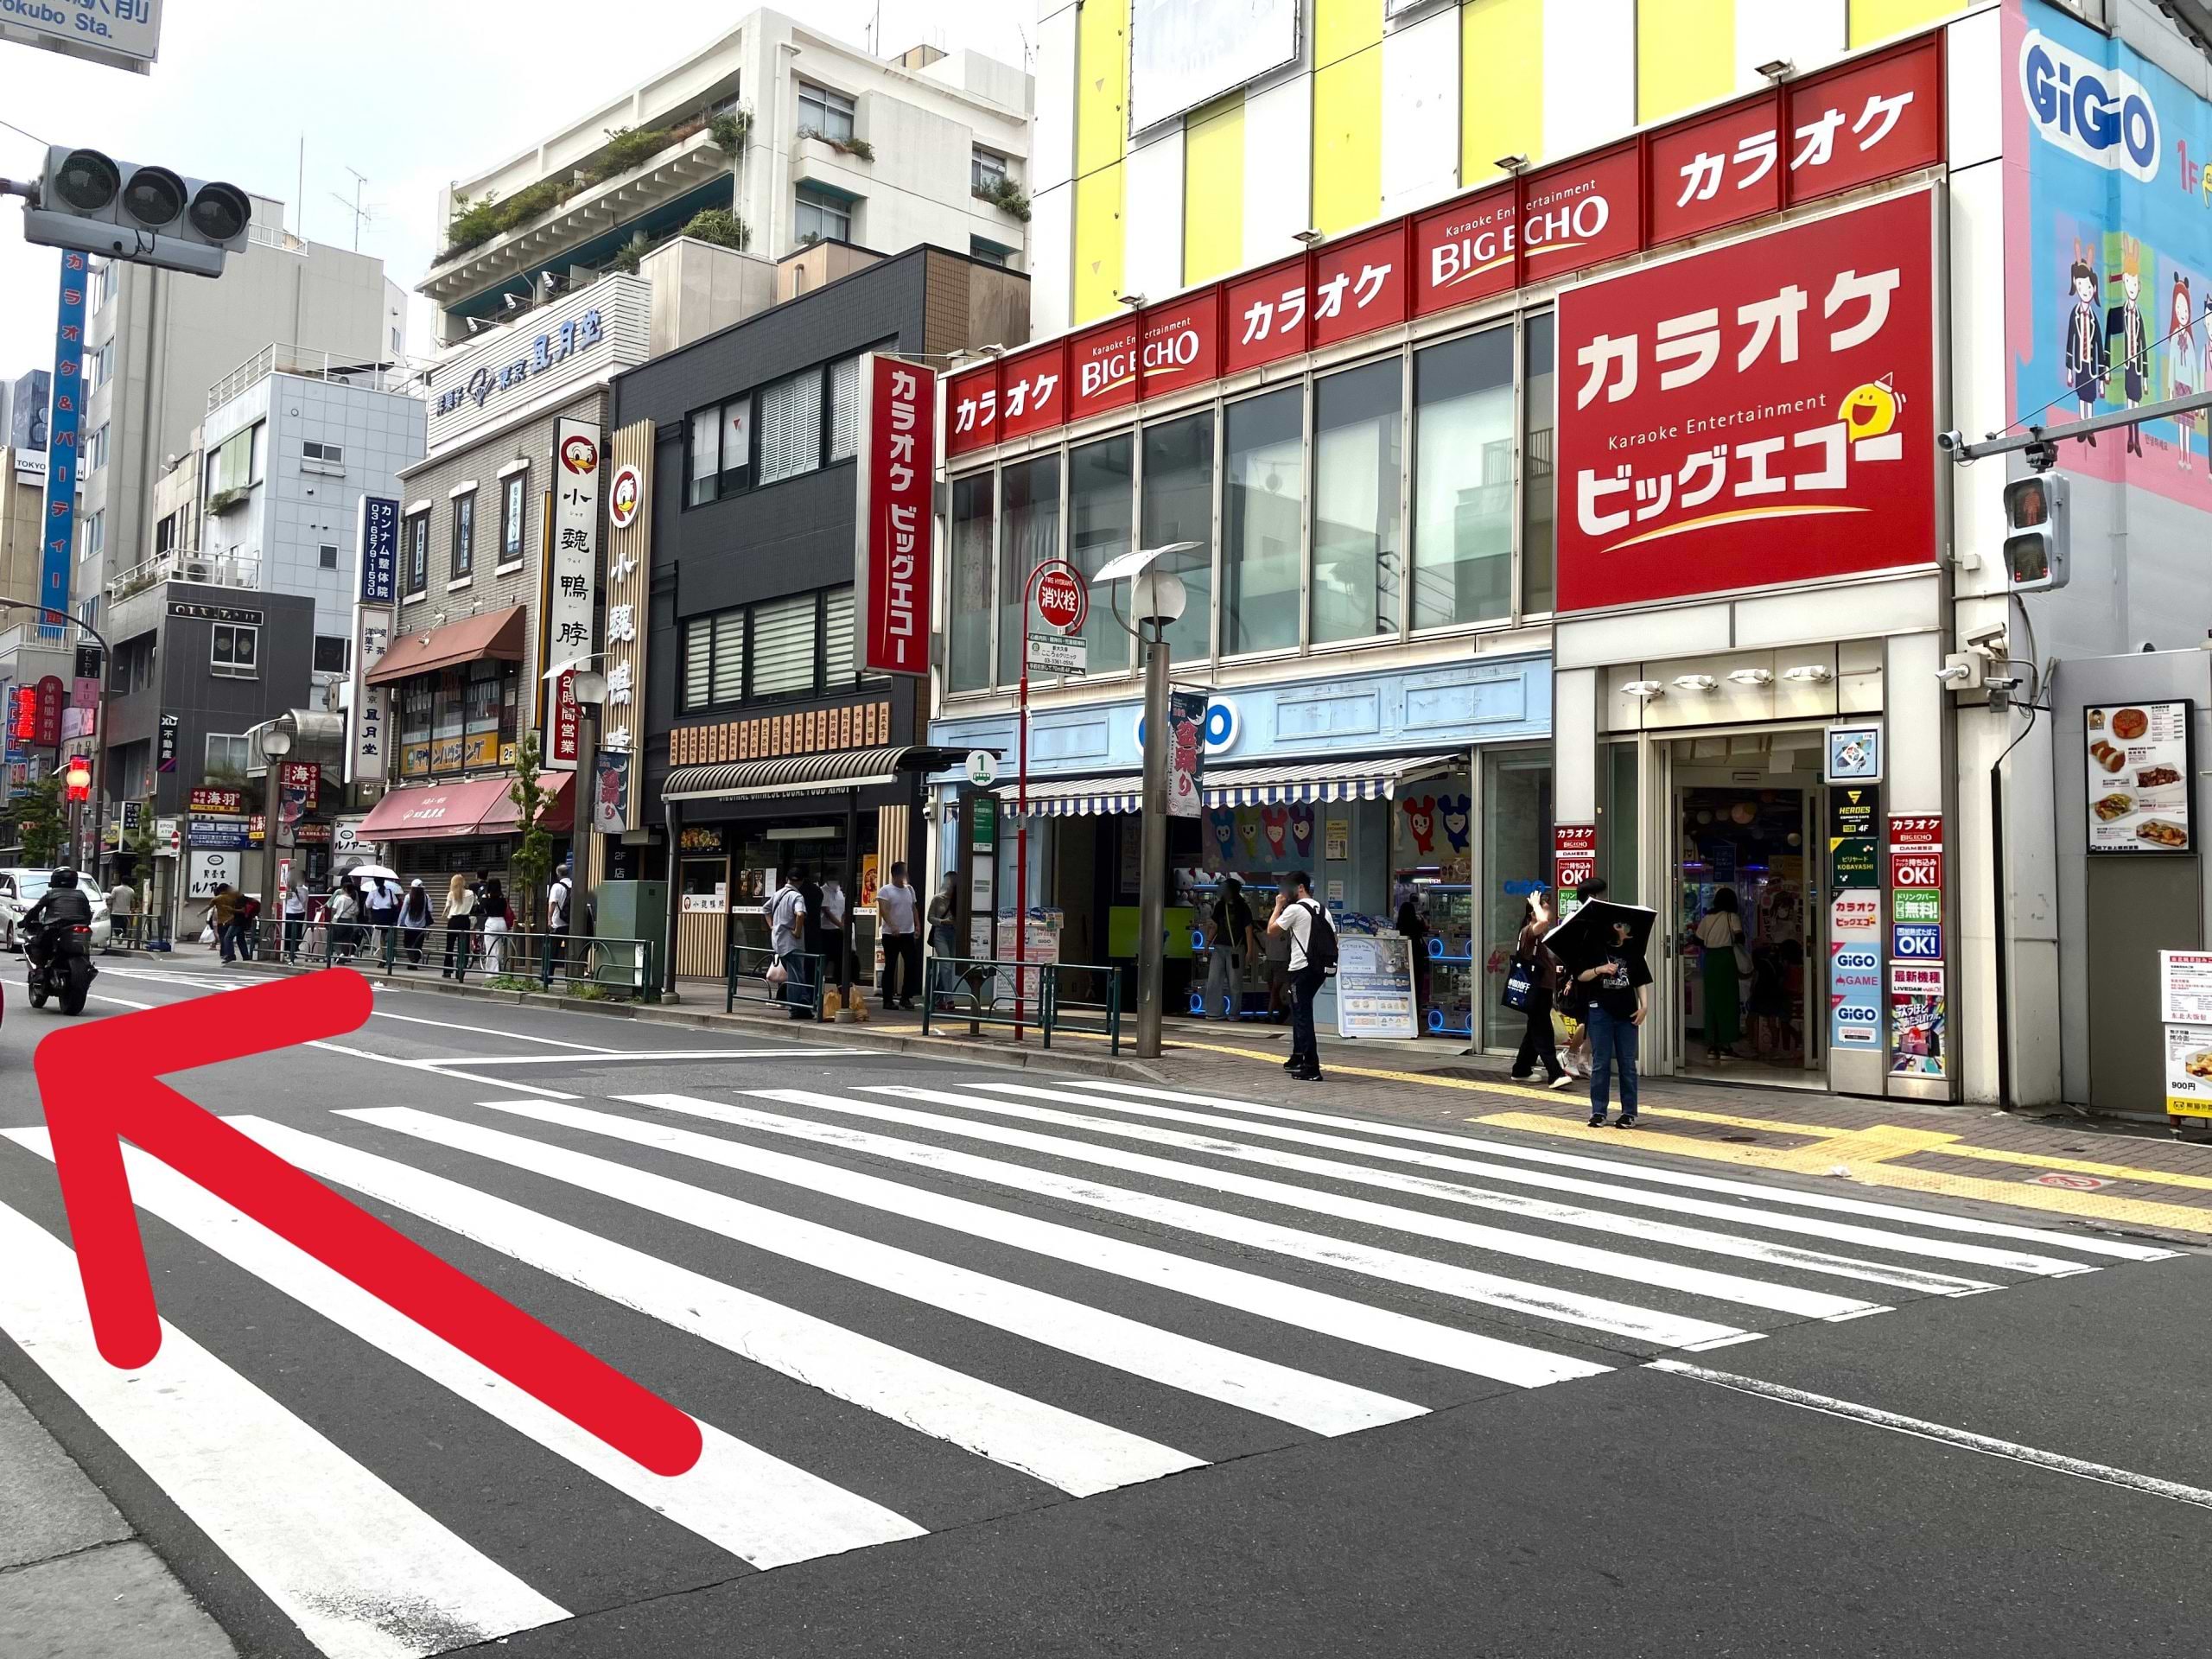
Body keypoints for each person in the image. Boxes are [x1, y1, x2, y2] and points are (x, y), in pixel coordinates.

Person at [1571, 912, 1651, 1128]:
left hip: (1627, 1012)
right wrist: (1600, 969)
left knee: (1627, 1063)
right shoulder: (1596, 949)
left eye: (1625, 925)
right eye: (1619, 924)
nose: (1624, 928)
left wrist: (1644, 1007)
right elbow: (1581, 976)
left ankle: (1629, 1113)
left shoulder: (1634, 951)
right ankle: (1598, 1112)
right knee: (1601, 1062)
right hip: (1600, 1010)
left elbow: (1641, 981)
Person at [1268, 871, 1328, 1083]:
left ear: (1300, 887)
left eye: (1288, 888)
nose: (1285, 893)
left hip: (1301, 968)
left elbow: (1272, 930)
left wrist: (1277, 905)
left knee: (1302, 1017)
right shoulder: (1322, 909)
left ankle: (1311, 1067)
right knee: (1300, 1010)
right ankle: (1297, 1057)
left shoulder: (1295, 909)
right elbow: (1334, 940)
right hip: (1319, 969)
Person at [1554, 876, 1606, 1087]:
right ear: (1592, 896)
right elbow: (1562, 949)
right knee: (1587, 1018)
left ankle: (1582, 1059)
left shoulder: (1599, 919)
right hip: (1580, 976)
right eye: (1601, 894)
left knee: (1595, 1017)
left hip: (1598, 975)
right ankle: (1571, 1055)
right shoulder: (1574, 919)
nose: (1605, 898)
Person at [1509, 894, 1566, 1084]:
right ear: (1533, 914)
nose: (1549, 913)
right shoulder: (1529, 931)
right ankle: (1556, 1073)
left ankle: (1521, 1069)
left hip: (1543, 988)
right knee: (1543, 1031)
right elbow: (1543, 920)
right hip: (1536, 989)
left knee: (1534, 1029)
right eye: (1546, 908)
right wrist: (1535, 903)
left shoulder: (1541, 935)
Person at [1693, 887, 1747, 1063]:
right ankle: (1726, 1045)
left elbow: (1697, 939)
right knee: (1728, 1002)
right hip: (1726, 960)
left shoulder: (1707, 918)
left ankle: (1711, 1044)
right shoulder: (1732, 917)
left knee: (1712, 1002)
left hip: (1711, 961)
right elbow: (1740, 938)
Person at [21, 867, 92, 970]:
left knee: (39, 944)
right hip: (80, 926)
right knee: (85, 946)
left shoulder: (51, 894)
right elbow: (88, 913)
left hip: (55, 926)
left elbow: (35, 910)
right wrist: (86, 923)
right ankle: (87, 966)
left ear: (55, 880)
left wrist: (25, 921)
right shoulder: (81, 895)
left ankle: (40, 970)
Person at [1202, 878, 1254, 1020]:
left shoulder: (1243, 907)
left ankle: (1233, 1013)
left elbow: (1248, 929)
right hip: (1220, 947)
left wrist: (1249, 951)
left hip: (1236, 949)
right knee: (1214, 979)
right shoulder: (1220, 906)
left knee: (1235, 982)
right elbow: (1215, 925)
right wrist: (1207, 943)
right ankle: (1214, 1012)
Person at [876, 861, 921, 1010]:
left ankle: (906, 997)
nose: (906, 875)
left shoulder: (910, 889)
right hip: (891, 934)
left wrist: (917, 925)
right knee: (891, 965)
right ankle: (887, 1000)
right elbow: (884, 910)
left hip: (907, 932)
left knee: (911, 964)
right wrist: (892, 925)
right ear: (896, 874)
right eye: (903, 872)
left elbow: (913, 908)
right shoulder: (885, 890)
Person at [766, 868, 810, 1018]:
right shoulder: (797, 896)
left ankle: (802, 1005)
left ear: (787, 879)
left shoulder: (778, 894)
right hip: (792, 943)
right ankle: (796, 1009)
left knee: (795, 975)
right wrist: (797, 931)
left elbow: (765, 909)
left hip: (778, 941)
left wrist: (772, 926)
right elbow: (800, 914)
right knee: (796, 976)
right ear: (801, 881)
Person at [1394, 882, 1432, 1032]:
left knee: (1404, 990)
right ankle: (1416, 1017)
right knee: (1417, 989)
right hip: (1417, 962)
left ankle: (1404, 1017)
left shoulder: (1399, 927)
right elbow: (1426, 928)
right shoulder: (1417, 924)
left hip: (1402, 964)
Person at [925, 869, 960, 1008]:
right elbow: (930, 918)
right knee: (946, 965)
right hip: (940, 933)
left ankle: (937, 998)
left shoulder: (959, 899)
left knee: (946, 967)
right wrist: (942, 921)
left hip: (953, 933)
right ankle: (949, 1000)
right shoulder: (937, 899)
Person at [442, 873, 478, 981]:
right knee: (464, 947)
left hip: (453, 921)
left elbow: (447, 908)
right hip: (464, 921)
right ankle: (461, 971)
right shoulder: (471, 893)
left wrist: (444, 915)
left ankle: (447, 971)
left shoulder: (451, 894)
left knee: (450, 946)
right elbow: (476, 905)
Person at [819, 873, 849, 1000]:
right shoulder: (823, 891)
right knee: (823, 962)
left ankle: (842, 990)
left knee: (840, 962)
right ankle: (819, 991)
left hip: (838, 932)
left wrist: (842, 924)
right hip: (826, 931)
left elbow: (843, 910)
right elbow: (827, 912)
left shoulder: (839, 892)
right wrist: (841, 925)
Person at [546, 862, 573, 977]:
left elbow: (552, 903)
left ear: (558, 874)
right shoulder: (574, 885)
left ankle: (549, 976)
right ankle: (570, 975)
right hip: (571, 923)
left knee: (553, 951)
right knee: (571, 951)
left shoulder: (557, 886)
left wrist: (549, 919)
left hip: (558, 923)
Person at [398, 878, 432, 968]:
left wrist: (399, 923)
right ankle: (415, 962)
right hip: (421, 926)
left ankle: (412, 960)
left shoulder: (408, 897)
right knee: (418, 945)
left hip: (409, 925)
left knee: (407, 943)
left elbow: (403, 911)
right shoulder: (426, 897)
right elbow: (431, 909)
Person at [481, 878, 511, 975]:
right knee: (499, 949)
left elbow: (481, 908)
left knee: (490, 950)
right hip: (502, 923)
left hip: (491, 923)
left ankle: (492, 973)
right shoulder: (503, 899)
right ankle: (498, 969)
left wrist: (485, 897)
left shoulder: (486, 899)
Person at [209, 883, 243, 963]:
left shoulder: (218, 899)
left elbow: (211, 909)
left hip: (222, 920)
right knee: (237, 938)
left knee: (225, 937)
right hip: (233, 920)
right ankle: (243, 955)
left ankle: (227, 954)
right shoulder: (233, 898)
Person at [281, 875, 308, 963]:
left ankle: (287, 949)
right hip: (300, 913)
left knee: (287, 932)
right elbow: (304, 901)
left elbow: (284, 901)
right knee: (297, 932)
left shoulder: (288, 892)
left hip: (289, 913)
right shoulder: (305, 890)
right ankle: (293, 950)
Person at [106, 877, 136, 949]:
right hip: (126, 912)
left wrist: (108, 904)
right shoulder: (131, 891)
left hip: (116, 911)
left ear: (121, 881)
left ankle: (119, 934)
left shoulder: (116, 889)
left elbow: (111, 898)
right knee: (124, 925)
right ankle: (122, 934)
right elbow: (132, 901)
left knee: (115, 925)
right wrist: (132, 909)